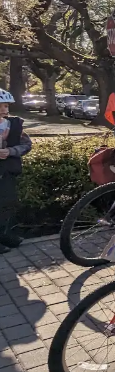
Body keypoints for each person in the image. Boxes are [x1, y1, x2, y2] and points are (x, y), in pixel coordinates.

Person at [0, 88, 32, 254]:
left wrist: (11, 151)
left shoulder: (14, 125)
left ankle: (5, 236)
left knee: (6, 204)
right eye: (1, 106)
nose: (4, 109)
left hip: (7, 172)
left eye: (6, 106)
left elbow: (27, 144)